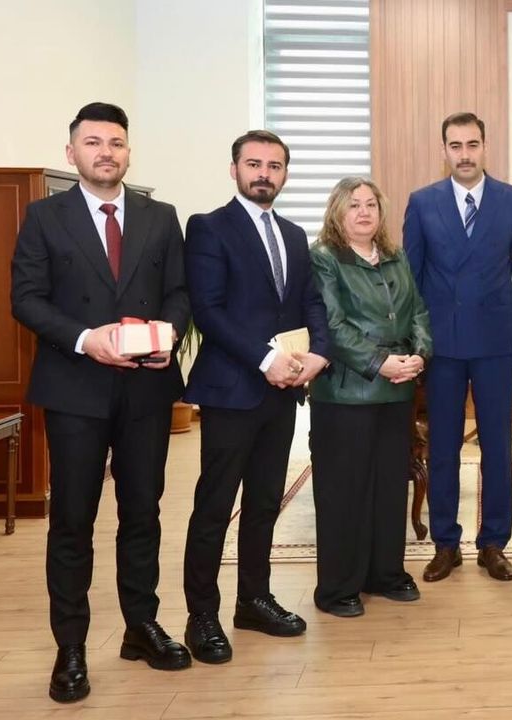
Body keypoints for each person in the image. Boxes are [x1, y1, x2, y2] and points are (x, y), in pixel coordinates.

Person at [11, 101, 193, 703]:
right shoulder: (44, 216)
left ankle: (141, 627)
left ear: (128, 152)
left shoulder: (160, 216)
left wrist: (168, 334)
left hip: (146, 389)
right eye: (93, 143)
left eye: (115, 142)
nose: (105, 152)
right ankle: (70, 647)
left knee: (143, 513)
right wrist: (87, 339)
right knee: (73, 520)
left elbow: (179, 292)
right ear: (72, 153)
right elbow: (26, 299)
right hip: (75, 389)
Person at [181, 130, 330, 664]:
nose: (264, 173)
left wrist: (319, 353)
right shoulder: (208, 227)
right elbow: (208, 309)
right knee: (215, 505)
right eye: (254, 164)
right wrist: (266, 360)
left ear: (285, 173)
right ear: (235, 169)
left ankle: (254, 600)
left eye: (274, 165)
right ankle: (202, 615)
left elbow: (310, 302)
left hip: (283, 391)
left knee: (266, 501)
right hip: (232, 389)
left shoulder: (293, 234)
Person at [402, 112, 512, 583]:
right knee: (443, 447)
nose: (465, 154)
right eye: (455, 146)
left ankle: (493, 543)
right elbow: (412, 278)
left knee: (497, 443)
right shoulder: (422, 202)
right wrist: (415, 342)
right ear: (444, 151)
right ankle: (445, 543)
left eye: (472, 144)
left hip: (496, 341)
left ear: (484, 146)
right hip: (442, 344)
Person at [307, 177, 432, 617]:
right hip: (346, 394)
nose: (363, 212)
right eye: (353, 205)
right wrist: (380, 362)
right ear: (337, 212)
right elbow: (332, 325)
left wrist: (419, 354)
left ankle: (386, 574)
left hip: (396, 392)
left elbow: (418, 312)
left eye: (371, 205)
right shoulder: (325, 258)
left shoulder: (396, 257)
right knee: (345, 492)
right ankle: (338, 588)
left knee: (388, 487)